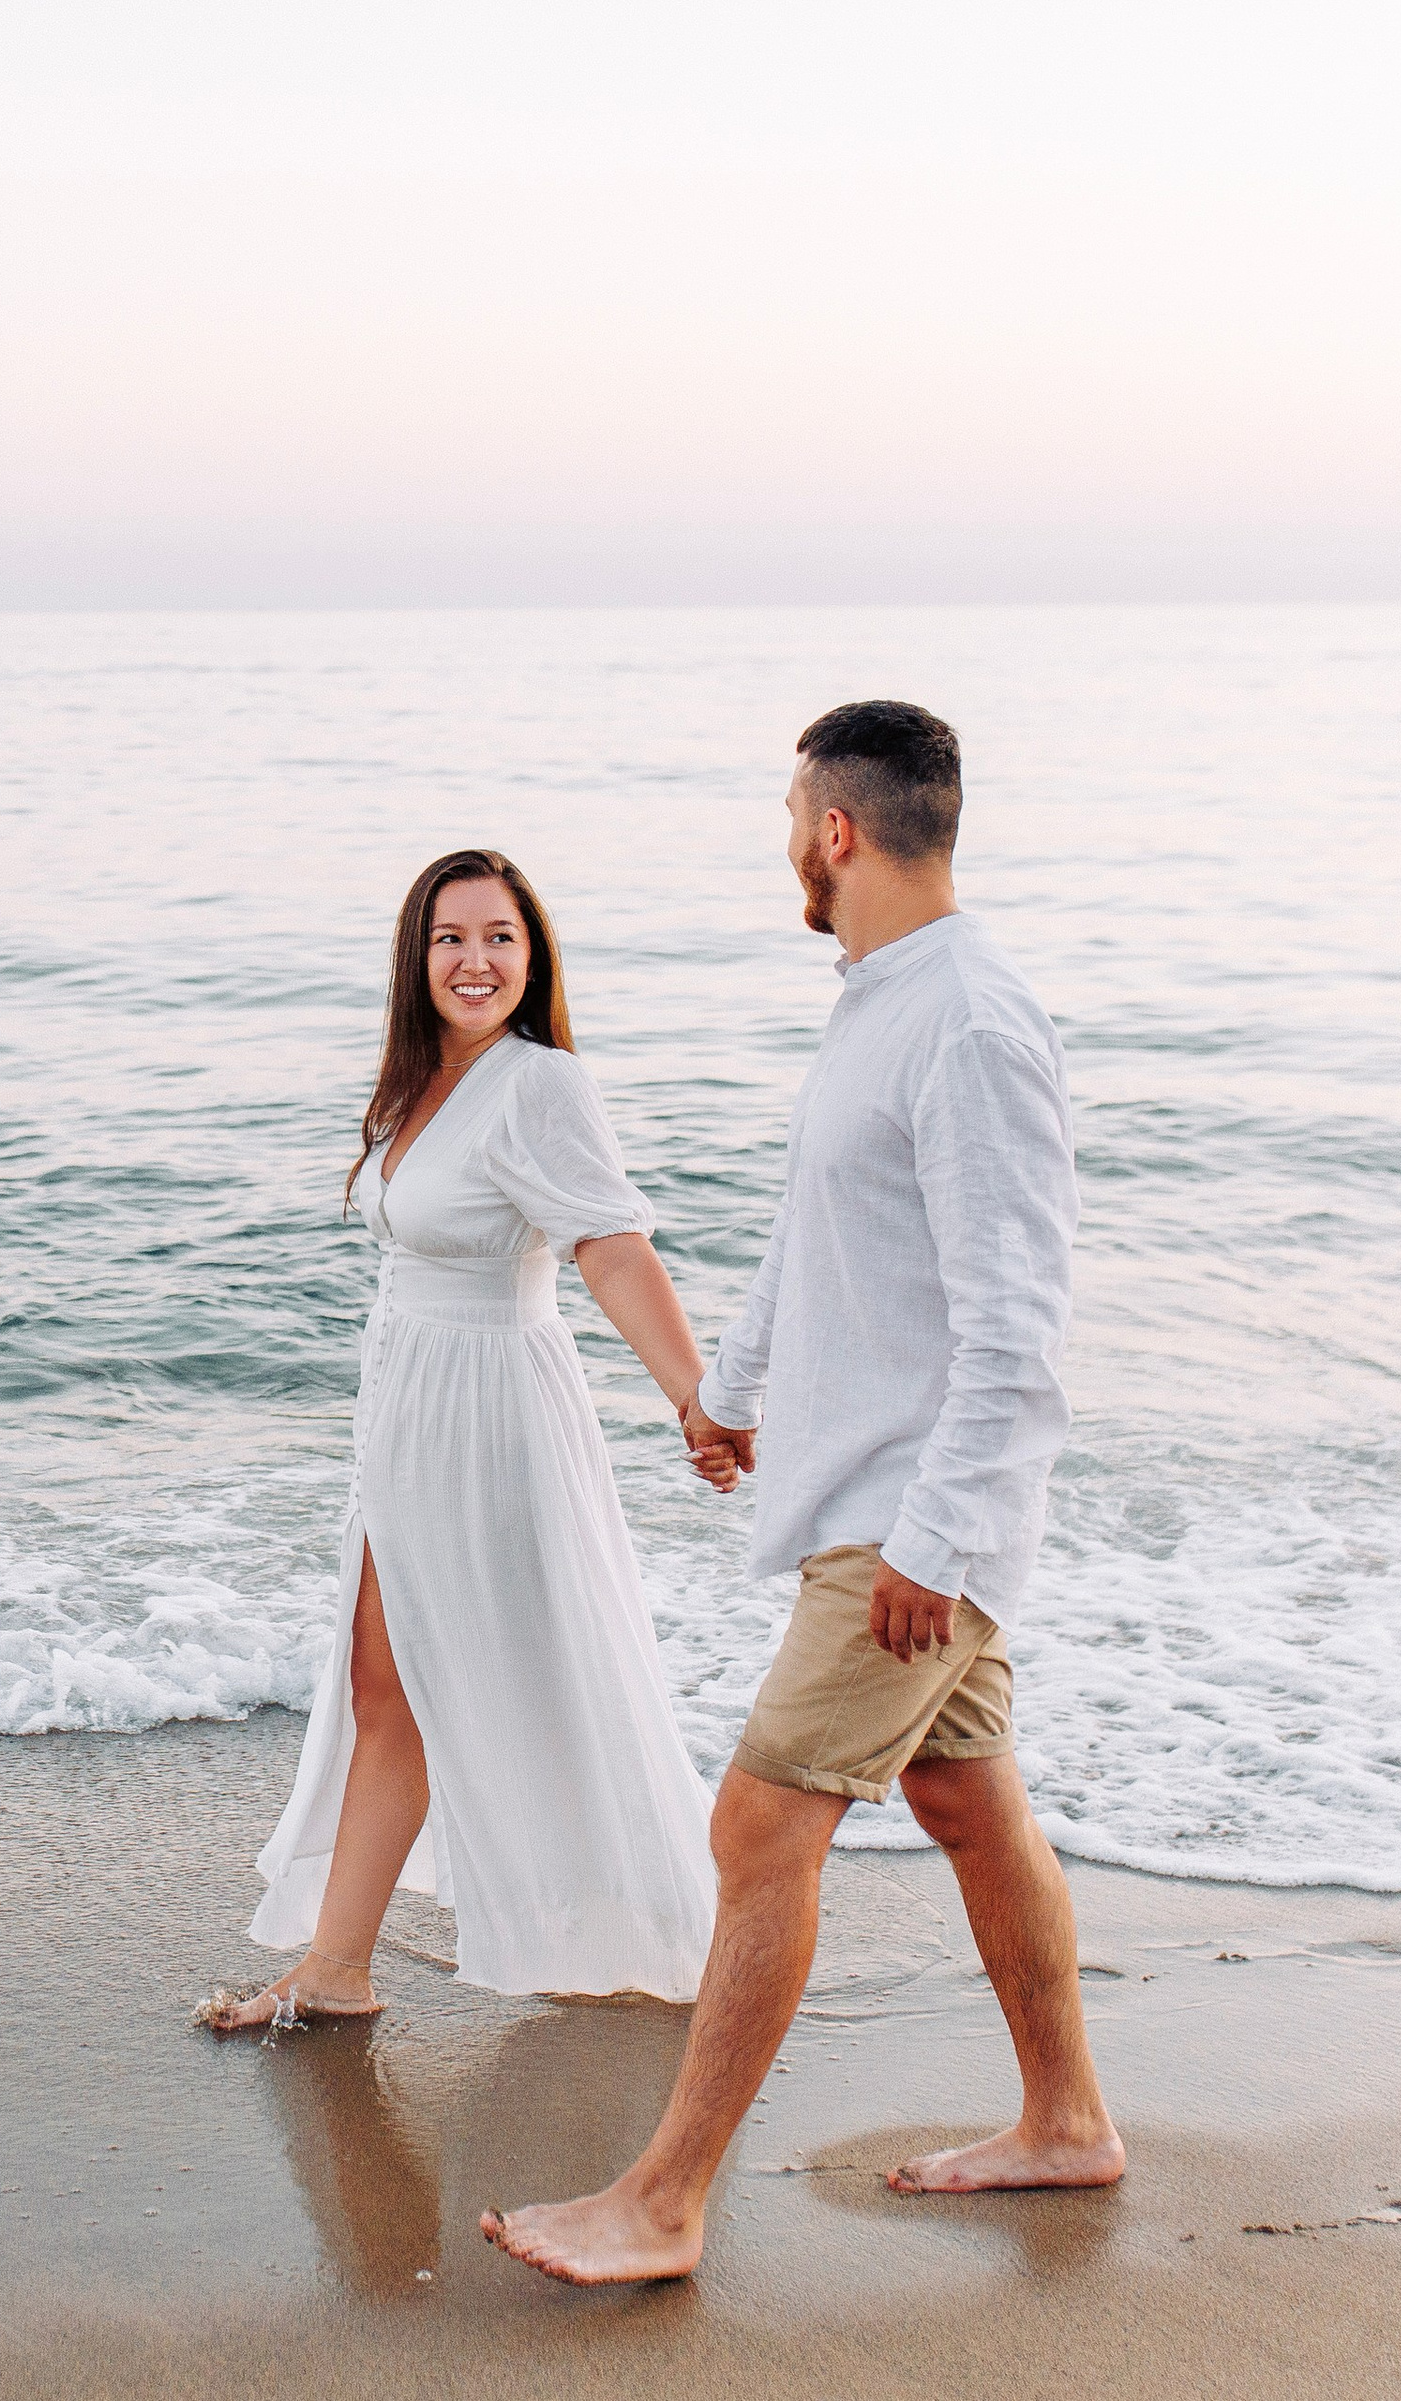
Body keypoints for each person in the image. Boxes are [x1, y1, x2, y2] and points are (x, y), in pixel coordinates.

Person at [482, 702, 1125, 2285]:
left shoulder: (968, 1023)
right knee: (970, 1805)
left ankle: (663, 2203)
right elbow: (817, 1233)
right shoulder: (883, 1003)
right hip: (879, 1502)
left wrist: (937, 1544)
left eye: (791, 819)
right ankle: (1067, 2123)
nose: (786, 846)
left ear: (838, 830)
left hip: (909, 1524)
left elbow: (1018, 1327)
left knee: (761, 1822)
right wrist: (731, 1394)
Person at [201, 848, 735, 2031]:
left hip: (490, 1416)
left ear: (533, 954)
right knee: (385, 1683)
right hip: (407, 1413)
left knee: (496, 1675)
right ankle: (336, 1967)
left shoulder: (538, 1083)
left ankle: (654, 1920)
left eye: (500, 936)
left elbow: (610, 1246)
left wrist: (692, 1396)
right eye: (450, 937)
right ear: (418, 954)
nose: (475, 960)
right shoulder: (422, 1080)